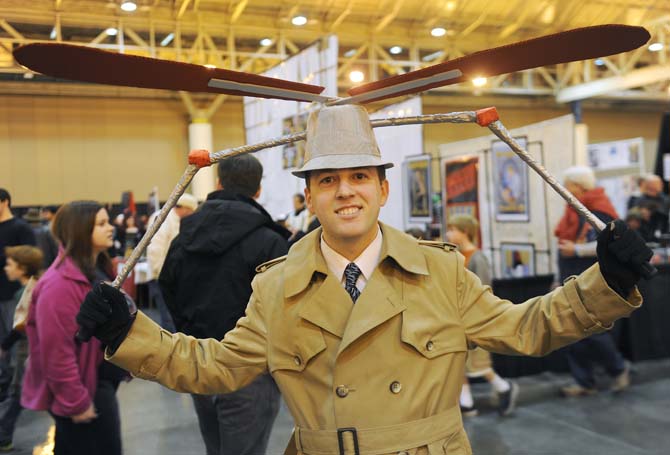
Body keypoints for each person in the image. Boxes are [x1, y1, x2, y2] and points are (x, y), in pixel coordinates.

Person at [78, 105, 652, 455]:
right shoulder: (275, 287)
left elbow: (528, 328)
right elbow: (218, 368)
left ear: (382, 188)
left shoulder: (441, 270)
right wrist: (131, 332)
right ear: (309, 196)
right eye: (327, 180)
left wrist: (606, 281)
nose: (345, 190)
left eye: (359, 176)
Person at [158, 154, 288, 455]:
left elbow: (167, 285)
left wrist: (189, 334)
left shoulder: (184, 236)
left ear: (218, 183)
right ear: (258, 191)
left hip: (200, 362)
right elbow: (283, 307)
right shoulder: (270, 242)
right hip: (250, 370)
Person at [22, 201, 127, 455]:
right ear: (80, 230)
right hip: (83, 391)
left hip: (98, 382)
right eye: (101, 224)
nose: (110, 228)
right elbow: (56, 353)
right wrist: (76, 403)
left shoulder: (95, 271)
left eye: (108, 221)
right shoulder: (59, 286)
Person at [554, 166, 631, 397]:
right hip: (572, 279)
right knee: (572, 331)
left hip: (592, 281)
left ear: (578, 186)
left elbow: (609, 245)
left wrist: (576, 250)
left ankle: (618, 368)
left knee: (593, 331)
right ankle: (584, 381)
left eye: (567, 184)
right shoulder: (575, 210)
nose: (564, 189)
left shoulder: (599, 211)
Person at [446, 215, 518, 417]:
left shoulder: (478, 257)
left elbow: (484, 290)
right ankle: (466, 402)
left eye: (453, 230)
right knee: (457, 361)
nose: (449, 234)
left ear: (465, 231)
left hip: (472, 317)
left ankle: (503, 387)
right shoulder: (453, 255)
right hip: (454, 316)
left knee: (478, 363)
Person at [0, 245, 43, 451]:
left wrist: (4, 345)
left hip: (27, 348)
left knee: (17, 391)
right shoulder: (35, 286)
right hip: (30, 347)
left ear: (22, 268)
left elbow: (21, 325)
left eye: (10, 264)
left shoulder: (24, 293)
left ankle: (3, 435)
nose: (6, 268)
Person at [0, 189, 36, 400]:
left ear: (5, 202)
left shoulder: (21, 228)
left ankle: (20, 387)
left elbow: (32, 260)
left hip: (16, 295)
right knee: (3, 344)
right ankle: (5, 384)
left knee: (18, 341)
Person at [145, 193, 198, 332]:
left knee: (176, 318)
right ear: (185, 208)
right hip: (161, 278)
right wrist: (161, 275)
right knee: (169, 320)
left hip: (173, 278)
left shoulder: (176, 220)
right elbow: (155, 250)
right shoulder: (162, 218)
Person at [627, 174, 669, 239]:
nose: (661, 185)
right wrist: (640, 214)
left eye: (660, 183)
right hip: (644, 235)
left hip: (664, 234)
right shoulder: (639, 201)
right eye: (658, 183)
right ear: (650, 185)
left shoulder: (665, 199)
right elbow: (632, 220)